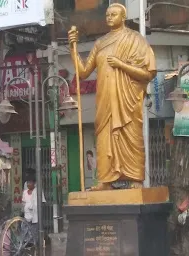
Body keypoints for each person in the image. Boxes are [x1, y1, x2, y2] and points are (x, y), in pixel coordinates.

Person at [68, 3, 156, 191]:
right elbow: (82, 72)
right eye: (107, 14)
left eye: (113, 14)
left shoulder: (136, 39)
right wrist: (72, 48)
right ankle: (105, 180)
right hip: (105, 101)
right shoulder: (100, 43)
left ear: (123, 17)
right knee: (104, 138)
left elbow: (147, 74)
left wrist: (121, 64)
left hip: (128, 102)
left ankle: (136, 179)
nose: (109, 17)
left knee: (131, 137)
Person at [22, 178, 46, 242]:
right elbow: (23, 202)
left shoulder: (38, 191)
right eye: (27, 183)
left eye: (30, 183)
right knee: (25, 230)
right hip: (27, 215)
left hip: (35, 215)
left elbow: (42, 202)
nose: (28, 184)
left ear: (34, 184)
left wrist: (36, 208)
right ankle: (27, 244)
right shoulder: (25, 192)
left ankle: (35, 245)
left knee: (34, 232)